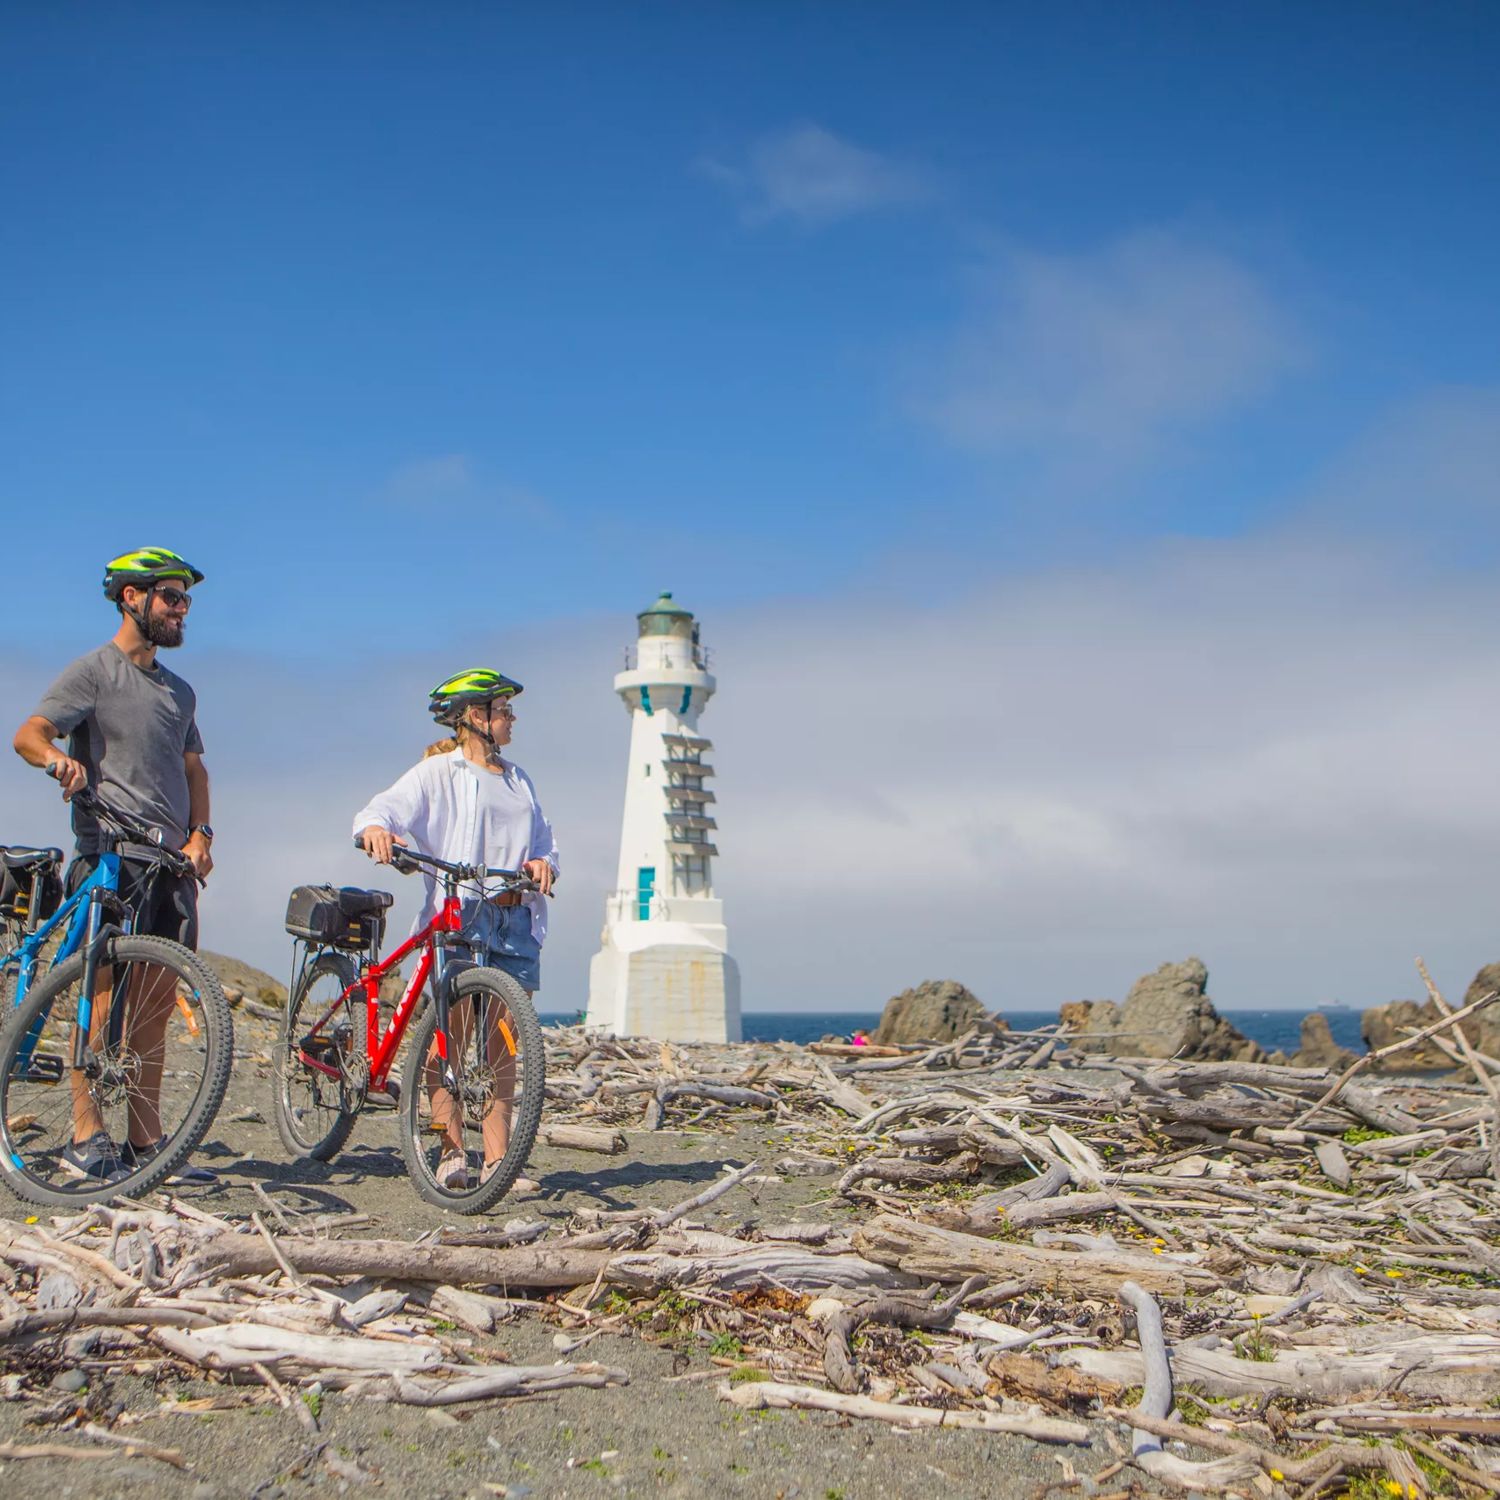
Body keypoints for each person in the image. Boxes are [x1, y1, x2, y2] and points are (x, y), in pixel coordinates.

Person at [12, 547, 217, 1184]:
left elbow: (193, 769)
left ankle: (146, 1140)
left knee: (154, 1003)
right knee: (99, 1001)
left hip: (172, 865)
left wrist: (202, 833)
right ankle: (85, 1134)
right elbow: (29, 733)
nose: (182, 609)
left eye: (185, 599)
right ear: (131, 597)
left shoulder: (180, 690)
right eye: (171, 596)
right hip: (111, 855)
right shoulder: (94, 672)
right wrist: (56, 761)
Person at [353, 668, 558, 1190]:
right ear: (475, 716)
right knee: (451, 1035)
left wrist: (543, 863)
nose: (512, 717)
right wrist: (377, 831)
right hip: (462, 914)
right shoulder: (438, 772)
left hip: (514, 918)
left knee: (504, 1049)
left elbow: (544, 841)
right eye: (503, 709)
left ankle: (498, 1162)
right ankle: (449, 1150)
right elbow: (382, 809)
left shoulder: (519, 779)